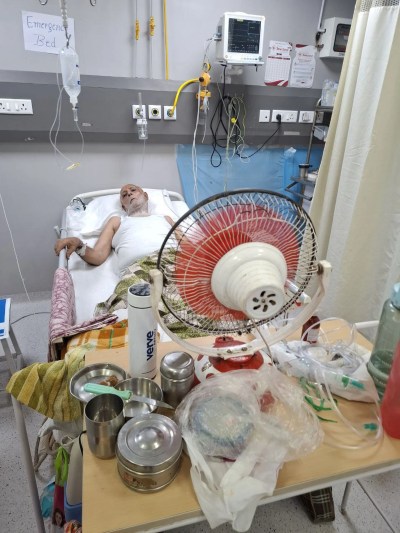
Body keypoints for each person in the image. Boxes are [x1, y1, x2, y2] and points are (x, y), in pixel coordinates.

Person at [55, 184, 175, 272]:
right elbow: (98, 256)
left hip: (173, 265)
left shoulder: (165, 218)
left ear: (146, 196)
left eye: (133, 190)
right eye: (124, 195)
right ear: (123, 207)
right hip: (137, 272)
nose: (129, 193)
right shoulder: (117, 221)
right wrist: (79, 245)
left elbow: (184, 244)